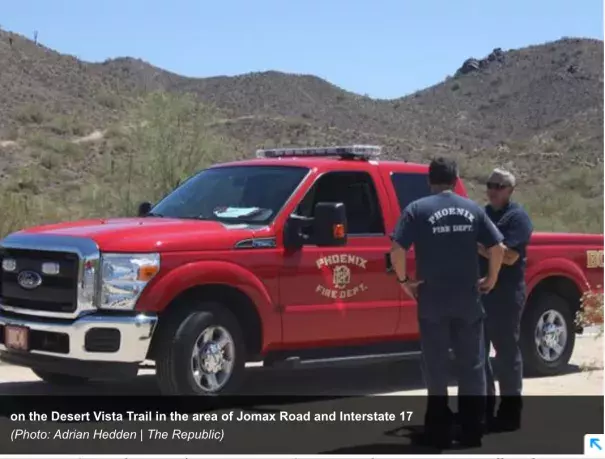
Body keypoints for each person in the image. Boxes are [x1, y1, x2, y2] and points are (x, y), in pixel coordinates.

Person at [390, 157, 504, 449]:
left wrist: (405, 282)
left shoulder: (417, 210)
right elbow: (498, 248)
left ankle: (438, 431)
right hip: (467, 299)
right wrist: (491, 278)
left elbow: (397, 249)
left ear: (430, 180)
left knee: (435, 368)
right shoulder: (472, 209)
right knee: (473, 366)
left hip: (433, 302)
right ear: (455, 180)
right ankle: (471, 431)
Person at [478, 168, 533, 432]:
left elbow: (509, 256)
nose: (493, 190)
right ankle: (483, 409)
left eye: (499, 186)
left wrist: (479, 246)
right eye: (490, 184)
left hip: (506, 296)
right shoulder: (484, 214)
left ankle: (510, 413)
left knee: (506, 353)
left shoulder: (517, 217)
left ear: (510, 190)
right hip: (480, 293)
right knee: (477, 352)